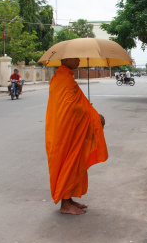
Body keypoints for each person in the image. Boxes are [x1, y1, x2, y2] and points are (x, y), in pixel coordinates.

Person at [45, 58, 108, 215]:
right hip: (65, 133)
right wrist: (93, 115)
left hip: (70, 131)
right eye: (76, 57)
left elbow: (75, 104)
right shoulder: (63, 79)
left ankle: (69, 199)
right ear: (66, 59)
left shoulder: (66, 77)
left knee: (75, 164)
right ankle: (65, 205)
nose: (79, 60)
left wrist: (87, 108)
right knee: (69, 163)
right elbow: (70, 109)